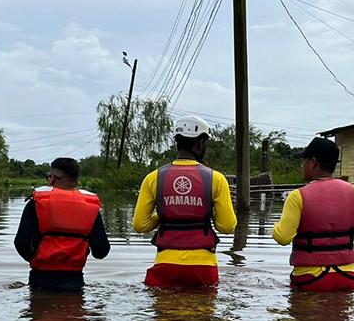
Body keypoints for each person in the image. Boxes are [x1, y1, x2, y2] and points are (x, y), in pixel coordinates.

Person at [272, 136, 354, 292]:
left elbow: (283, 237)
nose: (302, 165)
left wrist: (275, 228)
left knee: (300, 315)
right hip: (347, 277)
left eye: (303, 161)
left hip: (309, 280)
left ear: (313, 162)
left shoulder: (297, 196)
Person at [132, 115, 237, 289]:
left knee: (165, 314)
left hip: (165, 264)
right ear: (201, 144)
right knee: (203, 315)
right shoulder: (216, 179)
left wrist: (163, 214)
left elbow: (140, 225)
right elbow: (227, 226)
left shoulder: (153, 178)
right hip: (203, 267)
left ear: (177, 142)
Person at [13, 157, 110, 292]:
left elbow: (21, 242)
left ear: (52, 178)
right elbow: (101, 251)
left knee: (40, 309)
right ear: (76, 179)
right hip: (74, 281)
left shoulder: (36, 203)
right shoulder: (91, 207)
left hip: (40, 280)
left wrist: (36, 258)